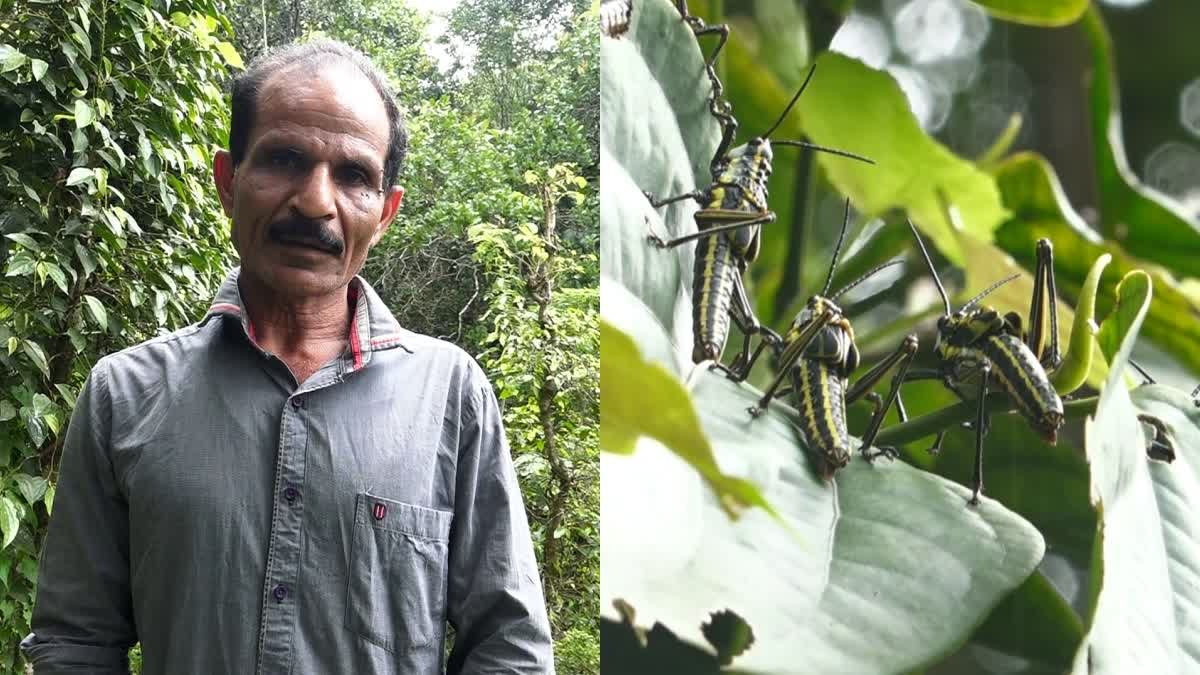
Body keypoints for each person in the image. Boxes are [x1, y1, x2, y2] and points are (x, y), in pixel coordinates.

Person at [21, 39, 554, 674]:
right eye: (283, 159)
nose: (315, 202)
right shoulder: (125, 394)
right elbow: (75, 643)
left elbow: (509, 648)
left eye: (354, 175)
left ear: (384, 213)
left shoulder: (450, 394)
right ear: (228, 181)